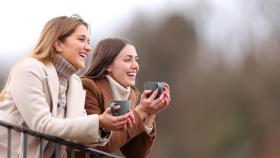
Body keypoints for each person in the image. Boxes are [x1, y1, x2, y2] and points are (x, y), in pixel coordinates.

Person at [0, 15, 134, 157]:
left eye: (88, 41)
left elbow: (80, 135)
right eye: (81, 39)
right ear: (58, 44)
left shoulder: (75, 84)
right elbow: (42, 125)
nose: (88, 47)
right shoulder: (30, 68)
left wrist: (104, 125)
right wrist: (99, 120)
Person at [79, 38, 171, 158]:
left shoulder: (130, 95)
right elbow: (100, 146)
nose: (136, 66)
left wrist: (149, 115)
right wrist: (141, 110)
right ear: (108, 65)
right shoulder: (87, 86)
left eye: (136, 60)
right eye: (128, 59)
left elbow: (135, 154)